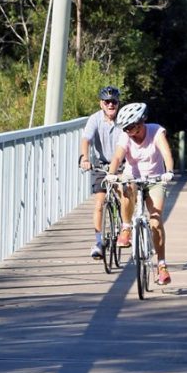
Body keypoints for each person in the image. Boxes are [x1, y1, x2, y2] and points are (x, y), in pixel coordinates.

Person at [106, 101, 174, 285]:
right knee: (126, 185)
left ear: (141, 122)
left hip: (155, 179)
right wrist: (112, 174)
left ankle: (161, 265)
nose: (128, 132)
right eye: (125, 128)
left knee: (155, 219)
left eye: (131, 128)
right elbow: (118, 156)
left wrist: (169, 171)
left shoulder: (156, 131)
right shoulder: (125, 136)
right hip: (133, 177)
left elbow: (166, 152)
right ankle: (126, 228)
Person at [79, 86, 123, 259]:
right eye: (107, 102)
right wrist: (84, 158)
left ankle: (125, 227)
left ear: (118, 103)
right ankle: (98, 242)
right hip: (102, 165)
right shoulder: (95, 119)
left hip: (122, 164)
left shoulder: (123, 118)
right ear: (101, 104)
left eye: (114, 102)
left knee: (125, 192)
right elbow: (86, 139)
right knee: (99, 203)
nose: (111, 105)